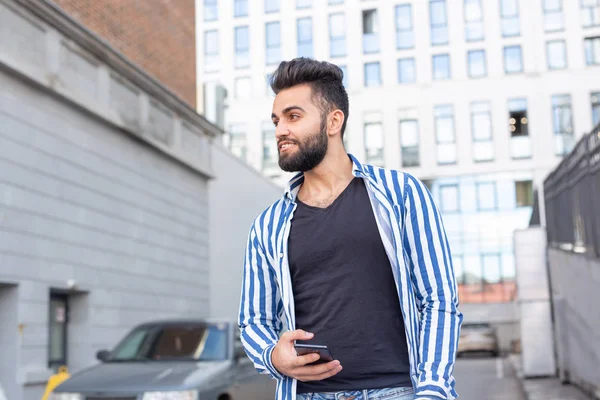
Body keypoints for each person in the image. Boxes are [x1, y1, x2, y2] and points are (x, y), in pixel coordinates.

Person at [238, 58, 463, 400]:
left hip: (400, 391)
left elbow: (438, 299)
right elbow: (253, 320)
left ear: (333, 120)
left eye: (293, 117)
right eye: (276, 120)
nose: (280, 129)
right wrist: (272, 356)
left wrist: (432, 389)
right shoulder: (268, 225)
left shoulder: (401, 194)